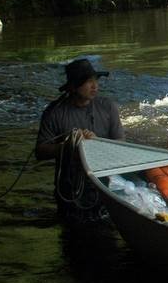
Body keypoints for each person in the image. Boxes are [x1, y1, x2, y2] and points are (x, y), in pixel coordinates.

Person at [36, 58, 124, 223]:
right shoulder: (54, 112)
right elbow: (40, 151)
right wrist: (69, 145)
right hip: (69, 192)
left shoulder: (108, 107)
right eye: (88, 82)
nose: (95, 86)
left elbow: (121, 145)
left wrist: (97, 144)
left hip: (105, 189)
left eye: (96, 80)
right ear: (74, 86)